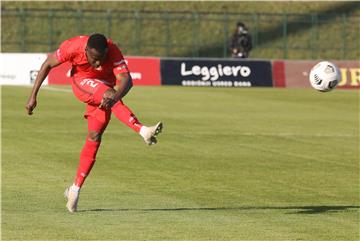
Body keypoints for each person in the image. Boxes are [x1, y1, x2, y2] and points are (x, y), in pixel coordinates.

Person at [25, 33, 163, 213]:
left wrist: (117, 95)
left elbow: (126, 80)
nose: (98, 64)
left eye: (102, 59)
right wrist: (33, 95)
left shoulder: (112, 49)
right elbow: (48, 64)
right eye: (94, 59)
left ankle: (74, 190)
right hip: (82, 82)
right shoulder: (73, 46)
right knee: (108, 94)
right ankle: (142, 130)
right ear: (86, 50)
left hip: (104, 87)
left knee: (94, 136)